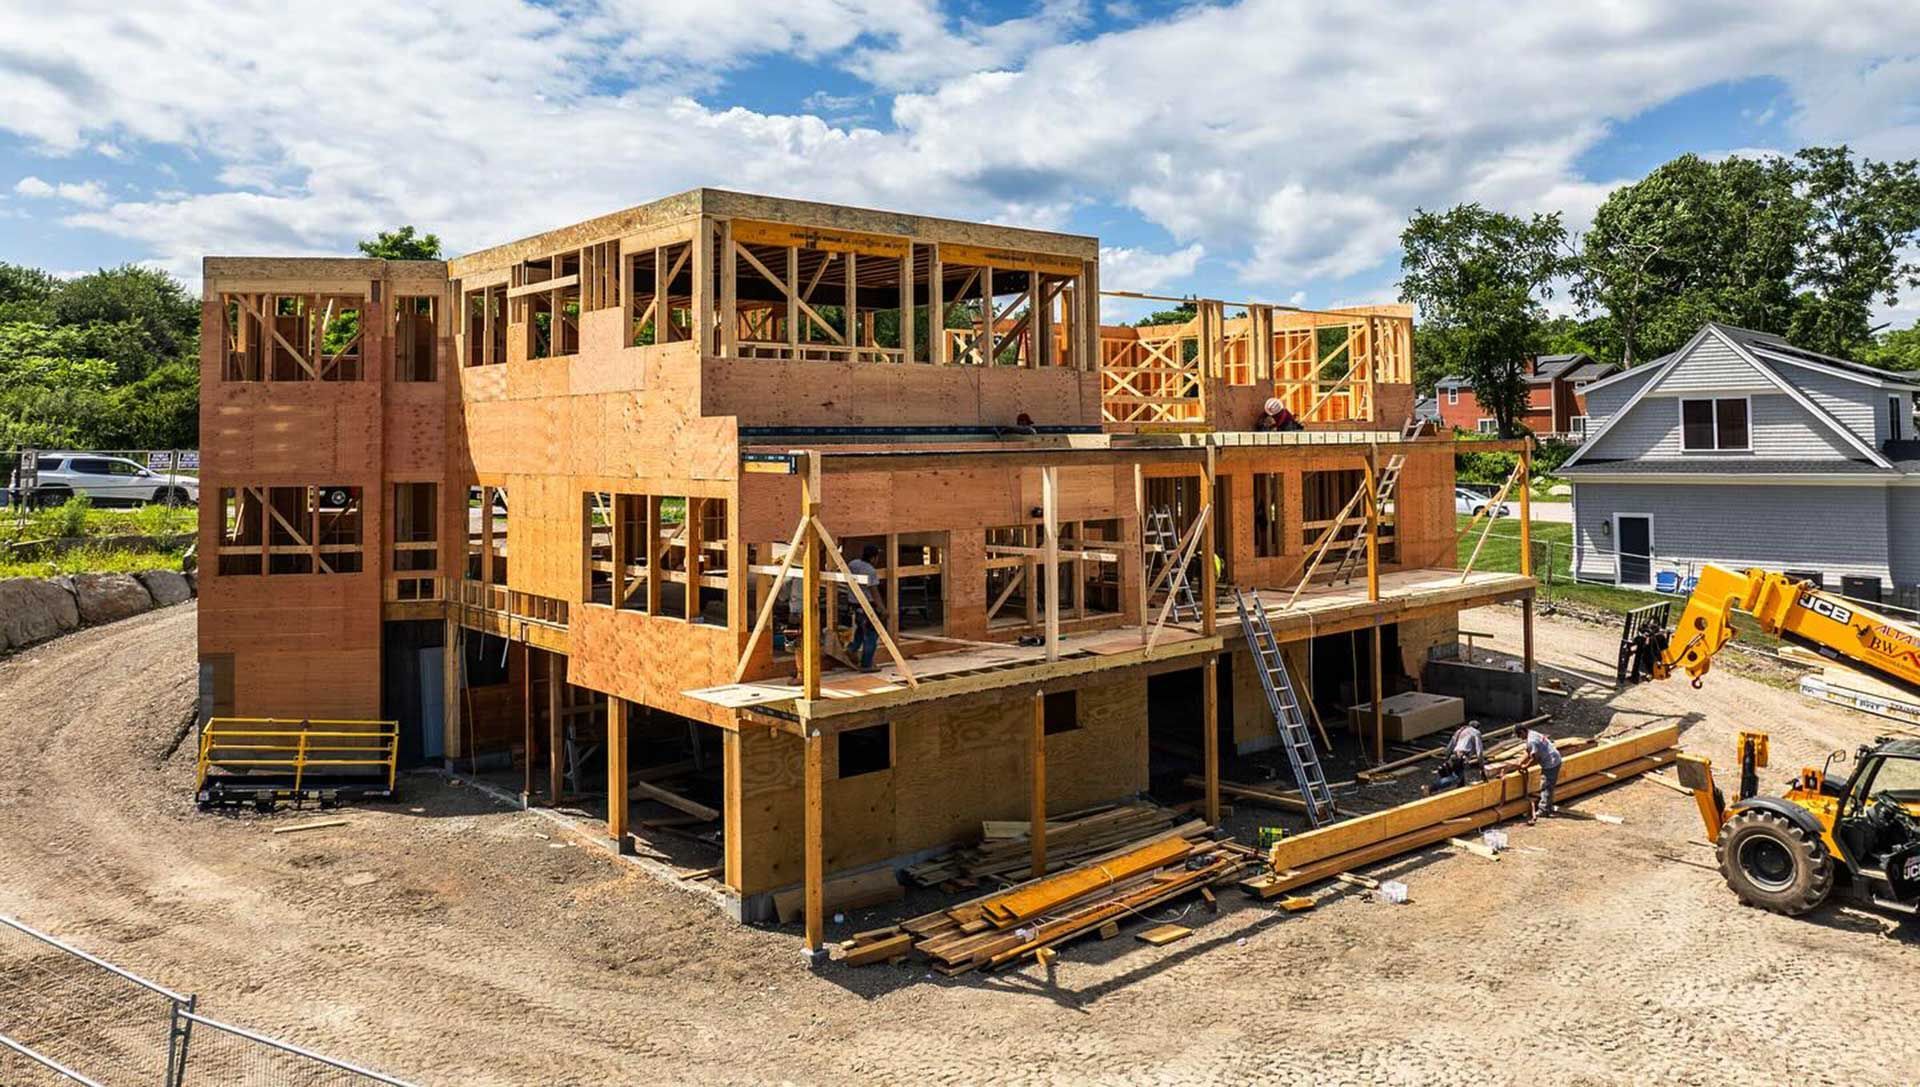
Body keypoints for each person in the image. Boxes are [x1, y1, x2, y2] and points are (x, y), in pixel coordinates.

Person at [1512, 722, 1563, 823]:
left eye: (1519, 735)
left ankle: (1544, 810)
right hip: (1553, 758)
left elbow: (1535, 759)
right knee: (1548, 786)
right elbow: (1529, 751)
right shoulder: (1532, 734)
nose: (1519, 738)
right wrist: (1520, 762)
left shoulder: (1532, 740)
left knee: (1546, 786)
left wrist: (1525, 766)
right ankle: (1548, 806)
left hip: (1551, 763)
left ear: (1522, 732)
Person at [845, 544, 884, 672]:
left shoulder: (853, 563)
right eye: (877, 557)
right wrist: (882, 609)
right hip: (867, 605)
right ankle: (866, 664)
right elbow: (874, 592)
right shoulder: (870, 571)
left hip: (854, 604)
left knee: (861, 631)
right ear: (873, 558)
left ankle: (851, 649)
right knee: (871, 635)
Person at [1431, 721, 1485, 791]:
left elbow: (1449, 747)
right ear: (1477, 728)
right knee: (1456, 778)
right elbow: (1479, 751)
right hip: (1461, 756)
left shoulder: (1459, 731)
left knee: (1461, 777)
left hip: (1454, 755)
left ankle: (1461, 791)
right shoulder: (1476, 732)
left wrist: (1447, 759)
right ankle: (1432, 788)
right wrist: (1482, 768)